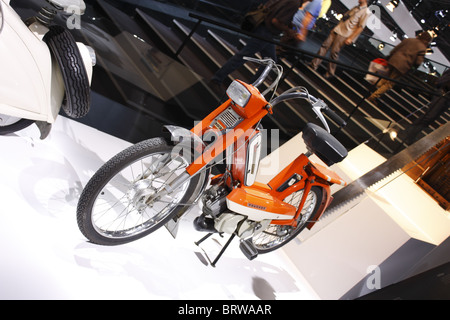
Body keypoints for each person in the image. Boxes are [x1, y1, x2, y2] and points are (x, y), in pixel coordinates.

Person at [209, 0, 302, 92]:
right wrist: (289, 31)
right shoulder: (295, 3)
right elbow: (276, 21)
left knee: (270, 61)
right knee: (244, 56)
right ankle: (217, 79)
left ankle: (250, 89)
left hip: (265, 29)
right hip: (266, 32)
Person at [310, 0, 370, 78]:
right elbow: (345, 18)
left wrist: (351, 38)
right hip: (338, 29)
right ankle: (314, 65)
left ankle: (330, 72)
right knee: (324, 46)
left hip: (345, 34)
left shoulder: (366, 12)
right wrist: (335, 28)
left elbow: (361, 27)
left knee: (334, 52)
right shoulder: (356, 7)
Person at [367, 31, 433, 103]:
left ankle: (373, 87)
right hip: (402, 67)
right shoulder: (422, 48)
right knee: (389, 84)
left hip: (393, 60)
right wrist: (413, 67)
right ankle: (373, 96)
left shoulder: (409, 40)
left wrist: (389, 56)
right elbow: (418, 62)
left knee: (385, 77)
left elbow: (396, 48)